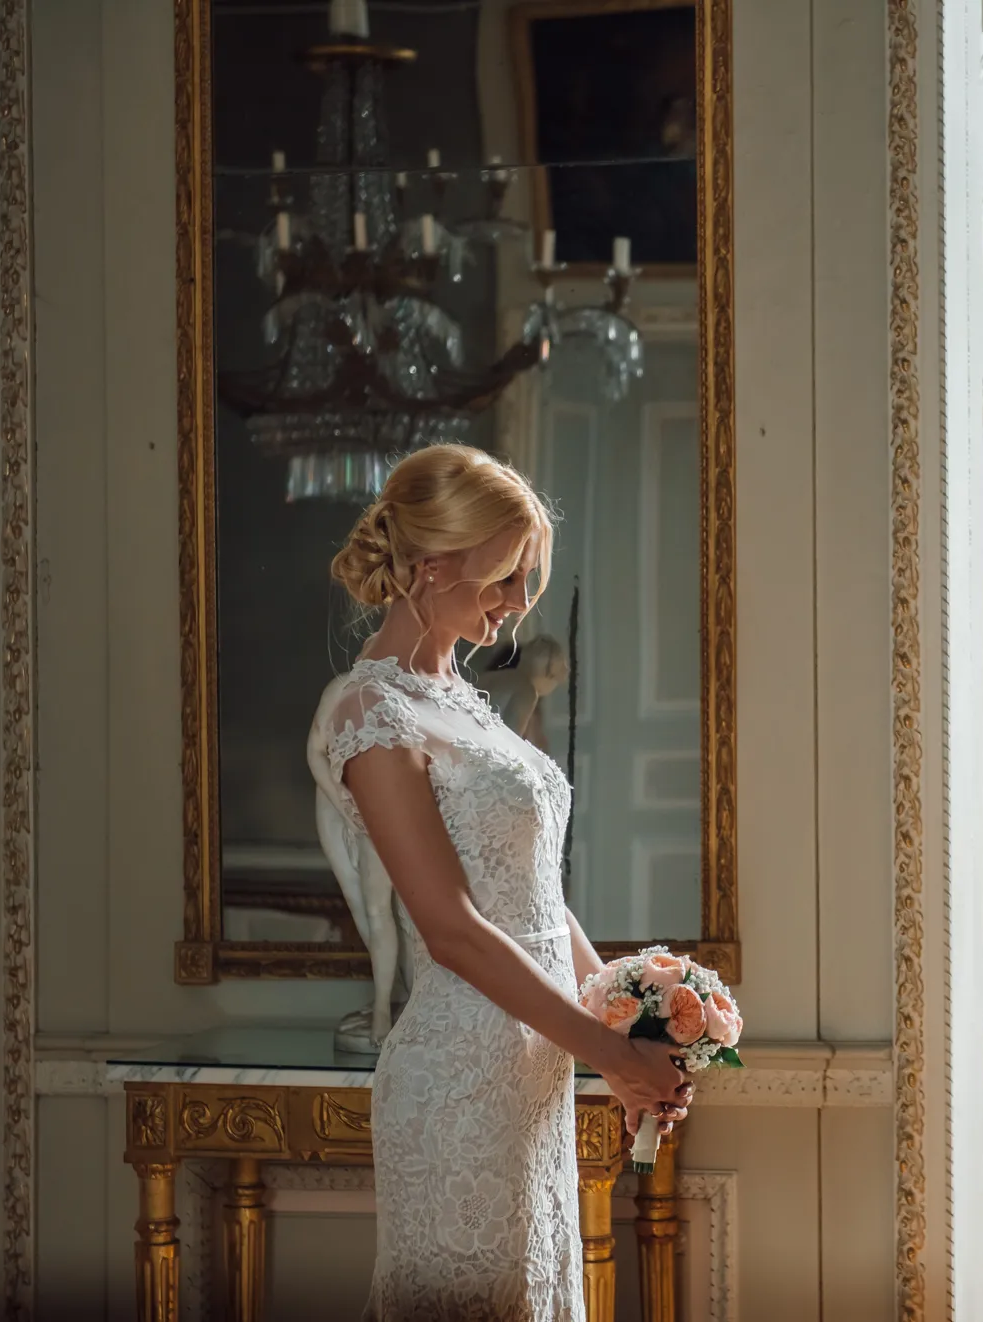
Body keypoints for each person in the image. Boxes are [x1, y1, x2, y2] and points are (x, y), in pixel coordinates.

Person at [315, 444, 690, 1320]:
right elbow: (448, 926)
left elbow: (534, 900)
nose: (521, 603)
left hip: (532, 1076)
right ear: (433, 561)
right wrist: (608, 1054)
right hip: (456, 1081)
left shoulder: (465, 700)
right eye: (504, 576)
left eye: (528, 578)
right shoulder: (372, 713)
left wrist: (628, 1015)